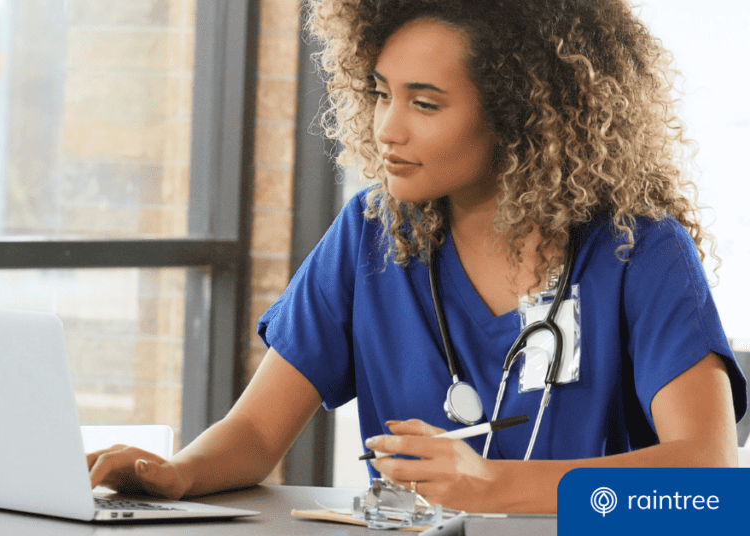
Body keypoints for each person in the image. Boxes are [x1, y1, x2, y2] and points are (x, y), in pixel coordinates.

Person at [88, 0, 747, 513]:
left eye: (424, 102)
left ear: (524, 114)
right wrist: (175, 474)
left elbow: (709, 480)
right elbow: (257, 435)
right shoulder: (370, 233)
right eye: (381, 93)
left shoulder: (639, 249)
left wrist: (491, 485)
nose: (386, 128)